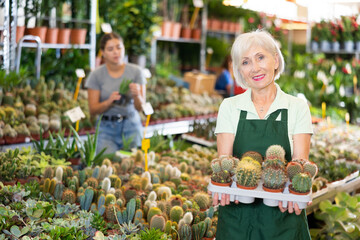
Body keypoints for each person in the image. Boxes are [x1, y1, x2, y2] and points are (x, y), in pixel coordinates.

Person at [213, 30, 313, 239]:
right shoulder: (229, 107)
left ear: (275, 60)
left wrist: (300, 191)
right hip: (237, 216)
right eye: (246, 62)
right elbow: (224, 162)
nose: (255, 68)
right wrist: (221, 186)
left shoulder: (296, 107)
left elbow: (300, 164)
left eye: (261, 57)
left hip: (283, 216)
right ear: (239, 69)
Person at [85, 32, 146, 154]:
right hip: (106, 128)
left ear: (124, 49)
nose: (116, 52)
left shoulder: (136, 72)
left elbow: (141, 108)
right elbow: (92, 109)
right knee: (107, 166)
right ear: (103, 53)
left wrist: (137, 95)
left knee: (134, 165)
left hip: (131, 126)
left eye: (119, 47)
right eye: (110, 49)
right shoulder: (96, 75)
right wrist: (108, 102)